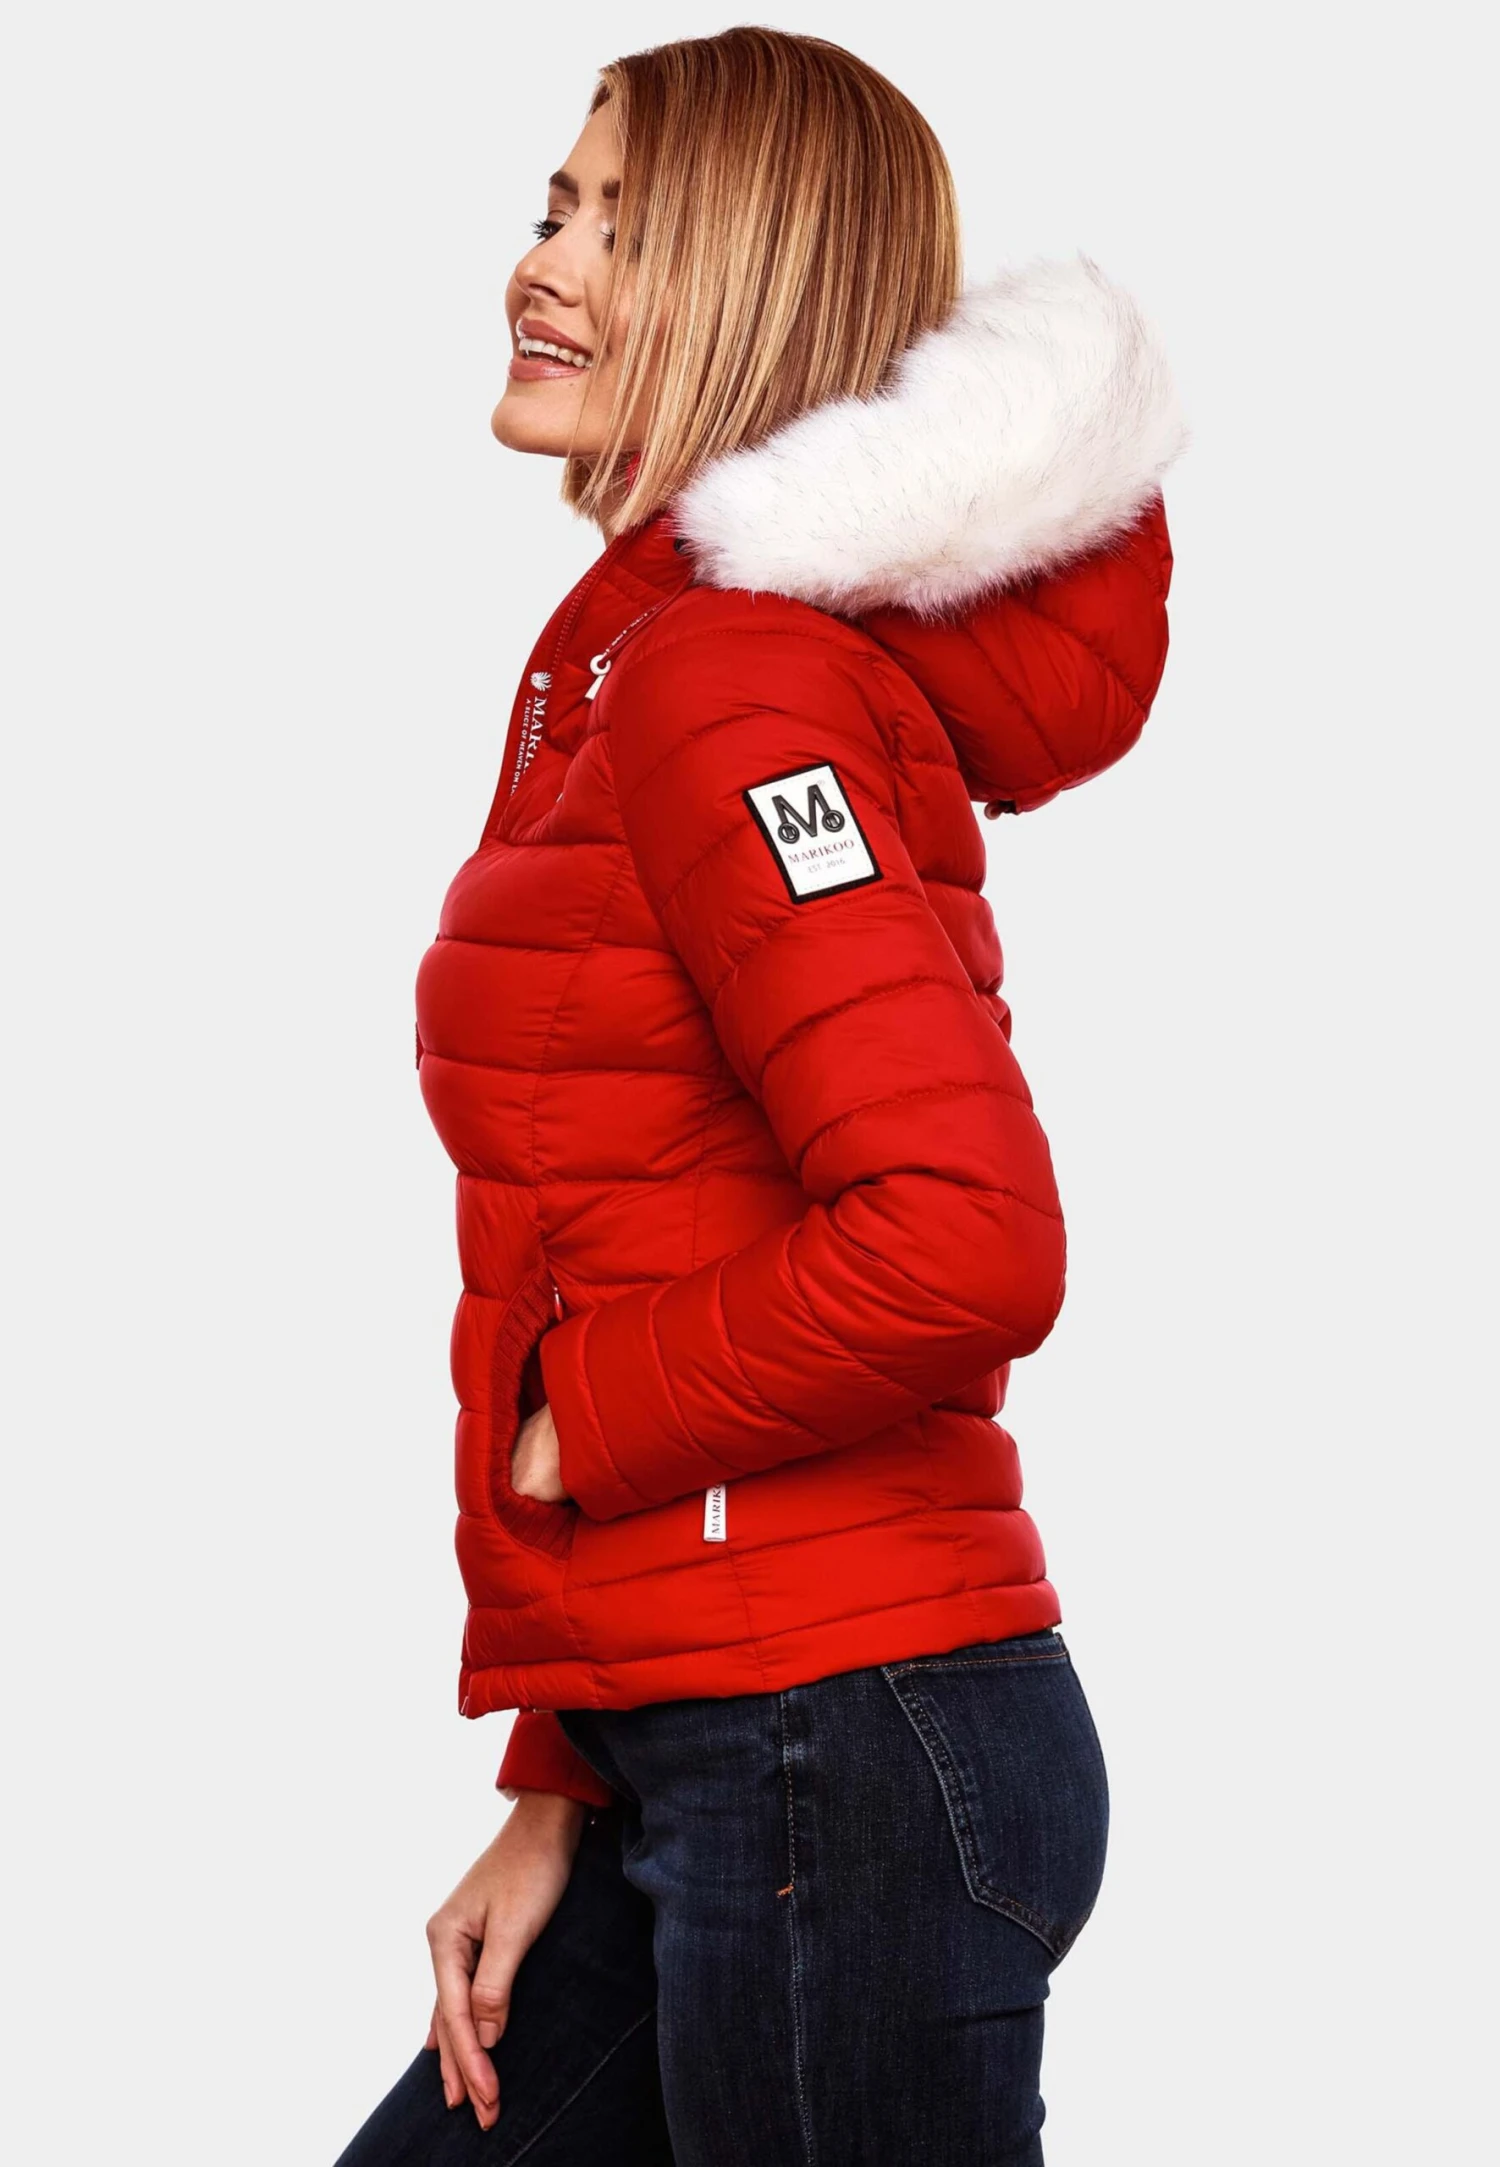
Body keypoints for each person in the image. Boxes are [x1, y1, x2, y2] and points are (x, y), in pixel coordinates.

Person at [336, 25, 1185, 2166]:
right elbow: (648, 1203)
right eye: (554, 207)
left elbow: (962, 1239)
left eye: (628, 227)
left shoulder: (730, 684)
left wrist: (584, 1419)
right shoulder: (640, 662)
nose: (545, 265)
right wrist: (560, 1774)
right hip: (725, 1740)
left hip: (842, 1757)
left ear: (766, 281)